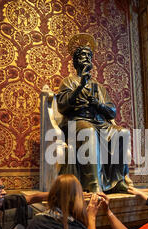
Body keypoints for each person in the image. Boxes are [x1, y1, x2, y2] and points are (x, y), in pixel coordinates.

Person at [56, 34, 132, 193]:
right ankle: (93, 184)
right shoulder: (68, 82)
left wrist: (96, 103)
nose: (86, 58)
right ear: (76, 61)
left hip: (100, 123)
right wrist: (79, 87)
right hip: (77, 122)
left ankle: (118, 181)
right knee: (88, 131)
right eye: (82, 56)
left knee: (122, 133)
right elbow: (62, 106)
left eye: (88, 56)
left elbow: (111, 112)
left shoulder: (99, 87)